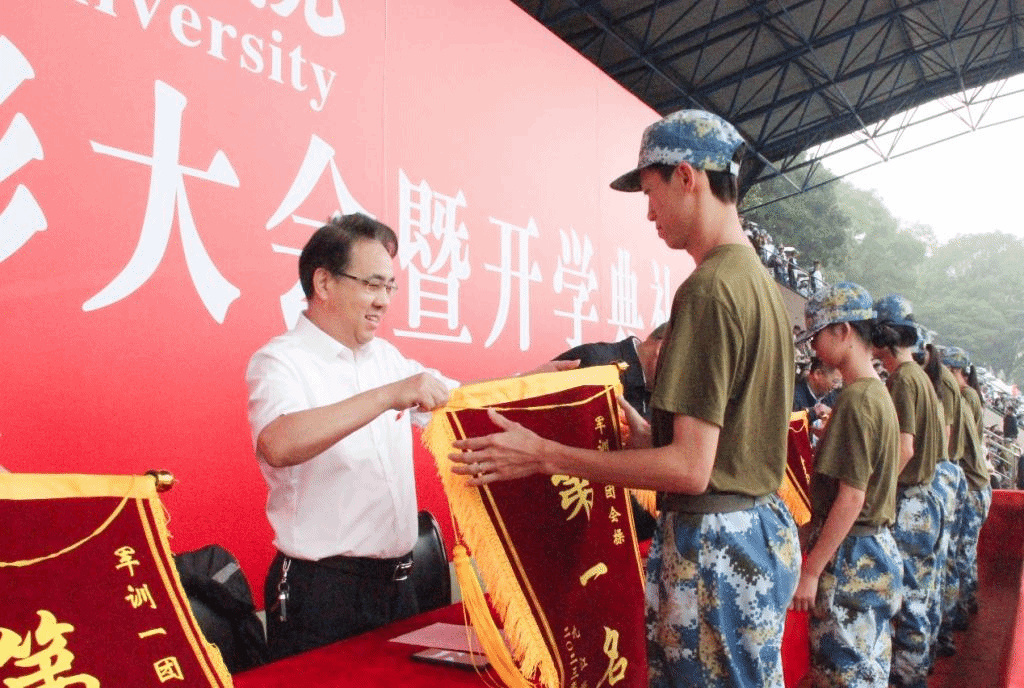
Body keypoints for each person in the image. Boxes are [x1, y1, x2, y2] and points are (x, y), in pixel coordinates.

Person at [448, 109, 800, 688]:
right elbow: (727, 443)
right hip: (754, 531)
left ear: (686, 177)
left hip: (715, 550)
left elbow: (689, 469)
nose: (649, 212)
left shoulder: (709, 290)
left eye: (651, 191)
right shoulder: (757, 286)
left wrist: (545, 455)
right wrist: (644, 435)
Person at [246, 213, 571, 660]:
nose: (383, 301)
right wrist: (388, 395)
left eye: (390, 287)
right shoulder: (281, 361)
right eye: (372, 285)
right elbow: (278, 444)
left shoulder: (385, 358)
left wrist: (530, 382)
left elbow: (458, 400)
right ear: (323, 283)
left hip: (398, 586)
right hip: (322, 594)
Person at [790, 282, 902, 687]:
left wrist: (811, 571)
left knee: (844, 674)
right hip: (871, 547)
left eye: (816, 336)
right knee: (865, 670)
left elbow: (851, 497)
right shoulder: (876, 393)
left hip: (852, 555)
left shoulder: (856, 399)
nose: (813, 347)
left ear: (843, 331)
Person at [871, 295, 944, 688]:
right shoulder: (920, 377)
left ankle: (907, 677)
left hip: (910, 501)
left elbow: (904, 448)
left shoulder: (903, 379)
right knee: (920, 594)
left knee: (908, 598)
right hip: (925, 498)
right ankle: (915, 668)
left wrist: (876, 492)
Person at [553, 323, 669, 540]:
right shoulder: (594, 361)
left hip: (621, 536)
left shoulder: (664, 400)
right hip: (568, 514)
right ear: (662, 349)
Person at [942, 346, 992, 631]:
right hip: (975, 484)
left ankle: (961, 605)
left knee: (961, 551)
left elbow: (958, 443)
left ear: (955, 371)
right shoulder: (967, 395)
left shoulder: (966, 397)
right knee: (965, 550)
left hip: (972, 485)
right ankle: (966, 599)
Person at [792, 356, 841, 426]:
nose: (836, 386)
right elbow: (792, 424)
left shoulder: (833, 398)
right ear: (817, 374)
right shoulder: (794, 398)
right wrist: (813, 413)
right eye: (835, 381)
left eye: (839, 382)